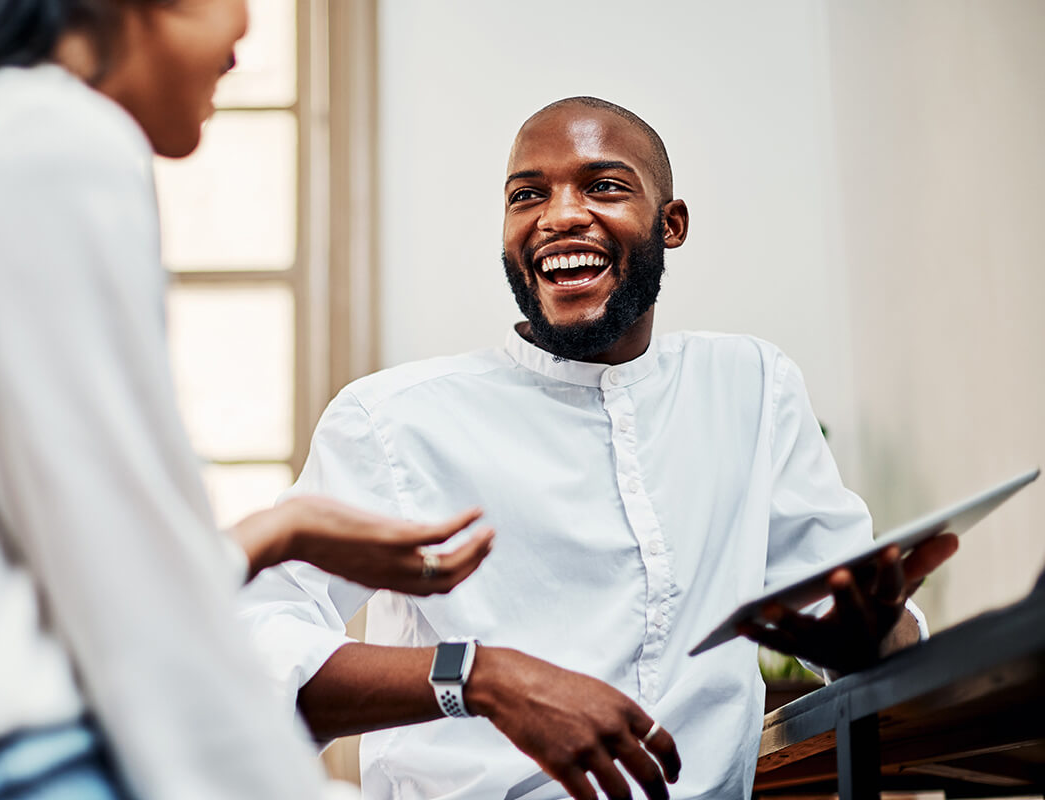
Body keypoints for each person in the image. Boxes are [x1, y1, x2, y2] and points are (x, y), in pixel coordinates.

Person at [0, 1, 492, 798]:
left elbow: (64, 550)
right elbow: (126, 588)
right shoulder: (52, 139)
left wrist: (277, 530)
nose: (246, 33)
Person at [236, 96, 957, 800]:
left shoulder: (752, 386)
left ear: (669, 224)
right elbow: (251, 644)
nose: (559, 215)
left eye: (605, 186)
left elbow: (845, 616)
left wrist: (875, 633)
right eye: (526, 196)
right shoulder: (392, 420)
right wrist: (480, 678)